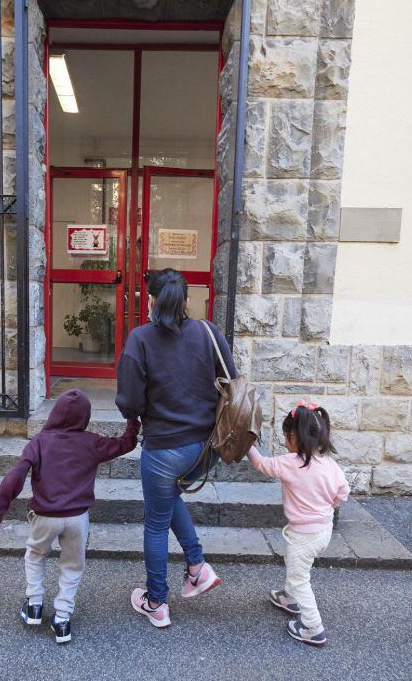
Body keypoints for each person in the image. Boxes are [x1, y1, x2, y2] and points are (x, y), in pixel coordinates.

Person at [115, 268, 237, 628]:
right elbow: (231, 379)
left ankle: (156, 601)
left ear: (150, 301)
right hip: (208, 448)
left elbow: (128, 403)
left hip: (165, 449)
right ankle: (197, 567)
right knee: (169, 500)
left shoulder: (140, 339)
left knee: (155, 523)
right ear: (186, 301)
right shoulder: (208, 332)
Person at [0, 388, 140, 644]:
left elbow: (15, 475)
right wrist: (132, 421)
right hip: (77, 518)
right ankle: (62, 619)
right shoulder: (91, 442)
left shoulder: (39, 442)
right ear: (86, 417)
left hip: (44, 515)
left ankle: (35, 605)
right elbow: (125, 444)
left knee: (35, 555)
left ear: (55, 413)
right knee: (72, 566)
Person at [247, 400, 350, 647]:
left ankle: (313, 627)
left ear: (294, 436)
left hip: (304, 535)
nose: (285, 440)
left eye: (285, 435)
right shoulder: (329, 464)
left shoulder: (290, 462)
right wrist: (326, 508)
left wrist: (247, 445)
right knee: (296, 565)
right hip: (323, 531)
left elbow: (262, 464)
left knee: (299, 578)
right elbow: (343, 491)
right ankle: (288, 598)